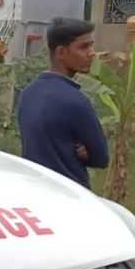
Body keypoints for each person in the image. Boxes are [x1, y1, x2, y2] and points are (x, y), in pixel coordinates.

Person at [16, 17, 108, 188]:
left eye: (91, 45)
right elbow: (101, 158)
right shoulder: (76, 101)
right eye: (83, 47)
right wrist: (85, 152)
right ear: (61, 53)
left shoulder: (27, 93)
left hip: (33, 191)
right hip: (70, 195)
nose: (92, 52)